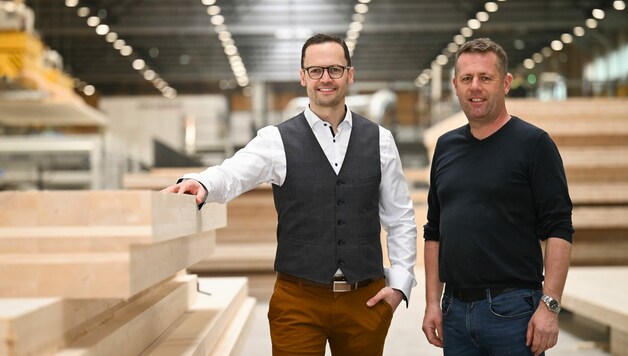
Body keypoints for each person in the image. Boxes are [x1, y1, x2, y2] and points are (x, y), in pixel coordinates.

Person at [162, 33, 417, 356]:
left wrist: (399, 284)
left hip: (363, 301)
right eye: (316, 70)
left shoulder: (380, 140)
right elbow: (234, 171)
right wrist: (203, 183)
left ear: (350, 75)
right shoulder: (276, 141)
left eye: (335, 70)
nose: (326, 78)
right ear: (303, 77)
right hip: (298, 300)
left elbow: (400, 217)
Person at [421, 37, 573, 356]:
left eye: (485, 78)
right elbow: (433, 231)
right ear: (455, 85)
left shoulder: (534, 144)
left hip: (514, 312)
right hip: (455, 310)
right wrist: (432, 303)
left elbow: (559, 228)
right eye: (467, 79)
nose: (475, 87)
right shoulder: (445, 147)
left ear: (505, 83)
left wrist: (550, 306)